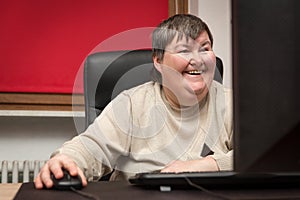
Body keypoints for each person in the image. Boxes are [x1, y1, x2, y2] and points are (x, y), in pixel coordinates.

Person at [35, 14, 233, 189]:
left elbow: (262, 159)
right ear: (159, 61)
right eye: (184, 51)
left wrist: (209, 165)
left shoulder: (233, 103)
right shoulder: (131, 104)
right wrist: (67, 161)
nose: (198, 60)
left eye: (204, 49)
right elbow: (90, 147)